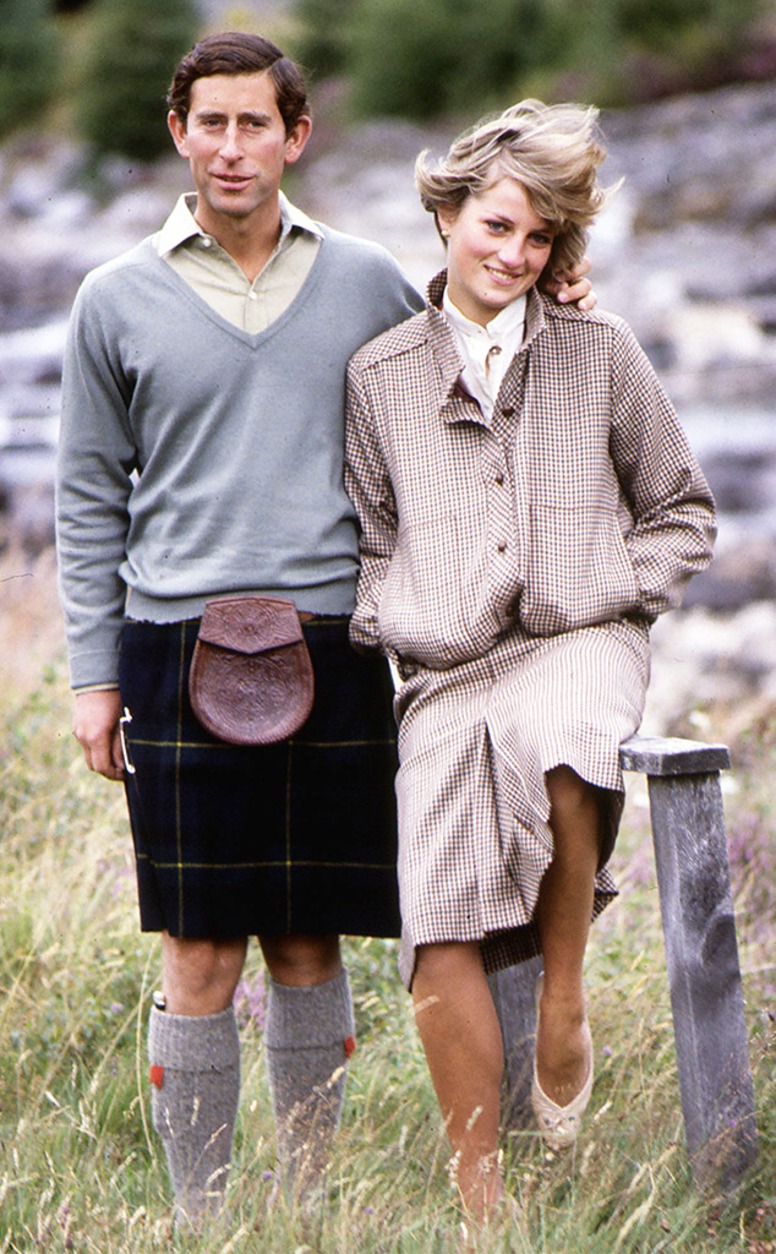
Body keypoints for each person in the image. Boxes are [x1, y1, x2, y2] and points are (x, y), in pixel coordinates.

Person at [55, 33, 597, 1228]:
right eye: (212, 124)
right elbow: (89, 498)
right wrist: (95, 677)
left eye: (257, 124)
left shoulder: (359, 278)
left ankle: (308, 1205)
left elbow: (470, 351)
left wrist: (558, 298)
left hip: (333, 640)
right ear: (178, 132)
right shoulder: (113, 299)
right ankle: (199, 1221)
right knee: (198, 949)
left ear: (295, 136)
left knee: (307, 943)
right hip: (173, 643)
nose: (232, 147)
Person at [345, 99, 716, 1228]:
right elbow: (368, 538)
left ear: (562, 252)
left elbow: (682, 511)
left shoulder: (598, 352)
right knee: (437, 910)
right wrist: (400, 611)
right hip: (449, 672)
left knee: (563, 743)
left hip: (580, 640)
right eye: (495, 227)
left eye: (537, 238)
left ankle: (563, 996)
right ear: (448, 212)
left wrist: (608, 584)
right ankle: (481, 1204)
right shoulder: (379, 376)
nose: (511, 254)